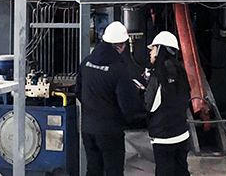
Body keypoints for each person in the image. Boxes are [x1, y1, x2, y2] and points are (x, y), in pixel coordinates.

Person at [75, 21, 145, 176]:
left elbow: (78, 91)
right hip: (110, 131)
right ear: (120, 45)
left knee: (93, 169)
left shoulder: (86, 62)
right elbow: (127, 105)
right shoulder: (118, 69)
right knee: (113, 170)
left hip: (87, 129)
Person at [144, 31, 191, 175]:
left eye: (152, 49)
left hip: (163, 137)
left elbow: (150, 106)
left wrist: (143, 91)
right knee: (181, 170)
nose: (150, 53)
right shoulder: (182, 71)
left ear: (159, 49)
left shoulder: (158, 74)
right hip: (182, 133)